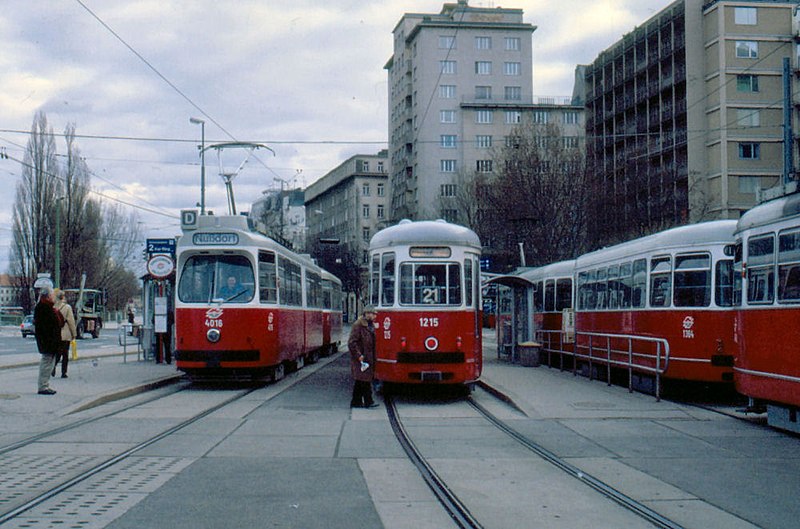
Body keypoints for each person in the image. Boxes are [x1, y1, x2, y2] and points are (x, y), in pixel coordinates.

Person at [348, 305, 378, 408]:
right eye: (373, 314)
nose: (375, 316)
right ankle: (368, 401)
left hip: (368, 358)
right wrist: (358, 355)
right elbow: (352, 342)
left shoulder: (370, 325)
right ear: (367, 314)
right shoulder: (358, 325)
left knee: (361, 380)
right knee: (364, 380)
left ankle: (356, 402)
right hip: (361, 358)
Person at [34, 286, 62, 395]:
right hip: (48, 341)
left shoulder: (47, 307)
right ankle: (43, 386)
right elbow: (47, 326)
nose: (53, 297)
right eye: (52, 295)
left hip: (49, 340)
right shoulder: (44, 308)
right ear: (48, 296)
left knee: (49, 363)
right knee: (47, 363)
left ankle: (45, 384)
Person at [52, 289, 77, 378]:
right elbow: (71, 321)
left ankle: (53, 366)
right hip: (65, 333)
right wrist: (74, 333)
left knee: (57, 352)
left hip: (55, 333)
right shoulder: (67, 307)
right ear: (63, 297)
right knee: (65, 353)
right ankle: (64, 372)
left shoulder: (53, 307)